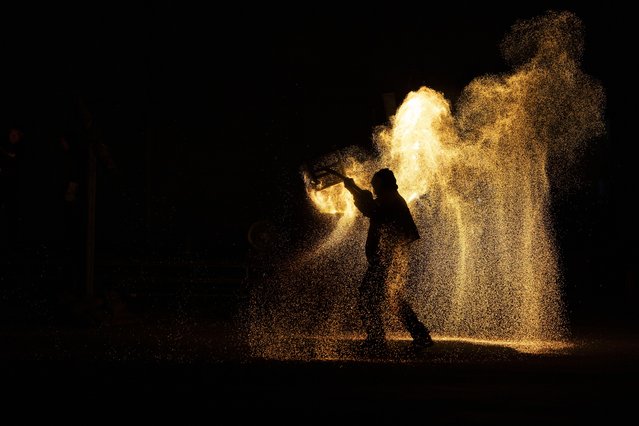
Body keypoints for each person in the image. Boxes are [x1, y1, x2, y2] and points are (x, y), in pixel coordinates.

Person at [343, 168, 433, 351]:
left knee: (367, 297)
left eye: (375, 184)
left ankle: (377, 339)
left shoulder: (391, 199)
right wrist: (354, 190)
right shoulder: (390, 198)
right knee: (391, 298)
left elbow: (372, 210)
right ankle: (420, 335)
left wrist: (352, 189)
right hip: (390, 257)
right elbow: (373, 207)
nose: (373, 188)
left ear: (383, 184)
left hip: (388, 258)